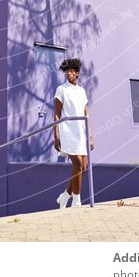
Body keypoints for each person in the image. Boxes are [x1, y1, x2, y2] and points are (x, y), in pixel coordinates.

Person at [53, 57, 93, 208]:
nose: (69, 74)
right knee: (77, 163)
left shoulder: (82, 91)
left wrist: (90, 136)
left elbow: (86, 114)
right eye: (67, 71)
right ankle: (76, 201)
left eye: (72, 71)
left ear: (77, 73)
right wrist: (55, 134)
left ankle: (65, 196)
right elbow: (56, 113)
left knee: (84, 165)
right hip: (67, 130)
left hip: (81, 131)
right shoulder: (61, 89)